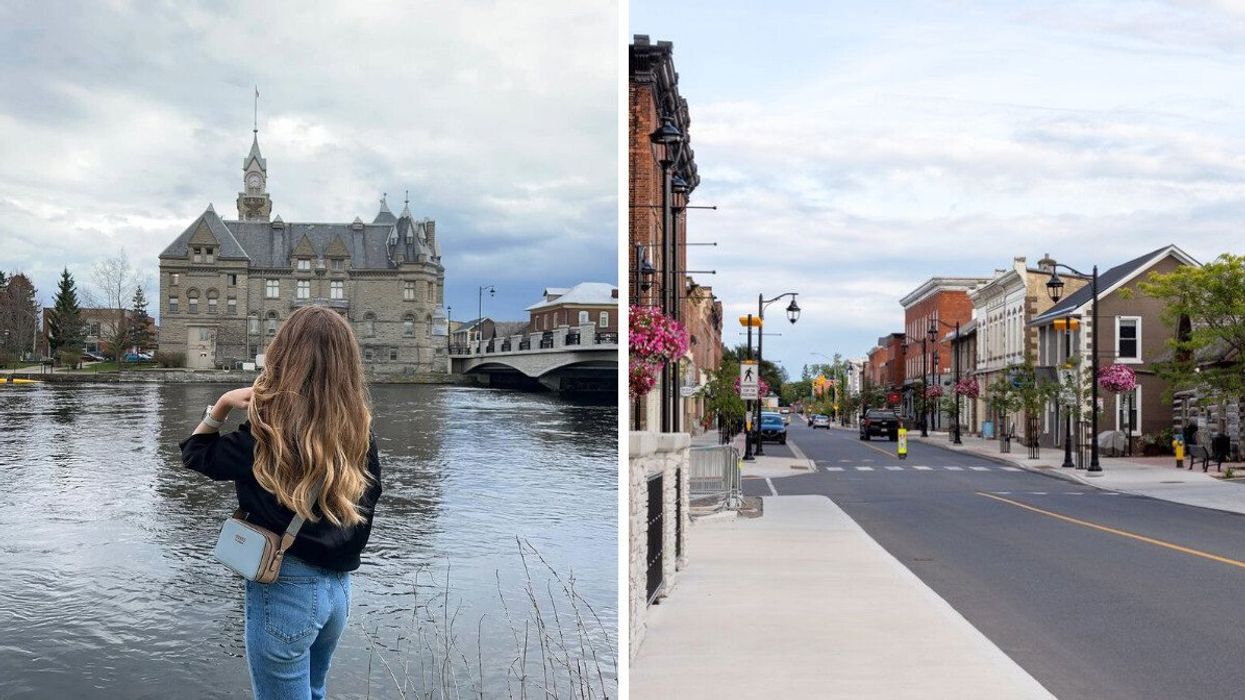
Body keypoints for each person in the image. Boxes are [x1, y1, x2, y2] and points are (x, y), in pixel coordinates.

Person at [180, 305, 383, 700]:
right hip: (339, 591)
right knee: (314, 691)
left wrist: (220, 406)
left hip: (285, 587)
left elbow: (195, 455)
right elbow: (369, 504)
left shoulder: (266, 436)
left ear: (282, 357)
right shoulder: (359, 433)